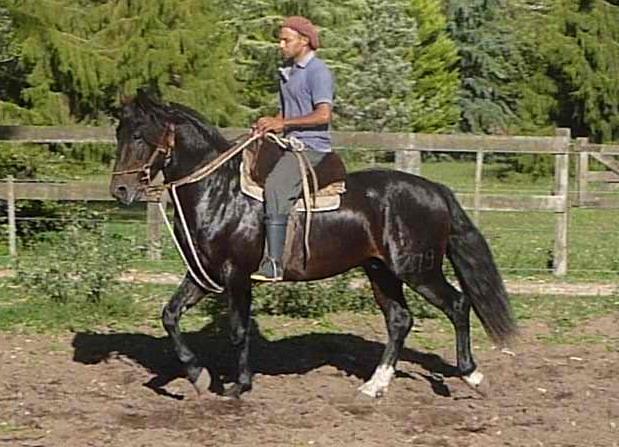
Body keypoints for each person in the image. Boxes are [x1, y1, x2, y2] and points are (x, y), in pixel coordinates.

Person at [250, 16, 335, 282]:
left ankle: (274, 263)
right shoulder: (289, 71)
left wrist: (283, 123)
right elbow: (287, 112)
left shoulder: (318, 71)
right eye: (281, 40)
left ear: (304, 41)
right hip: (288, 143)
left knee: (276, 186)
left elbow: (323, 115)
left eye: (286, 40)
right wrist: (269, 124)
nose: (281, 45)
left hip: (311, 147)